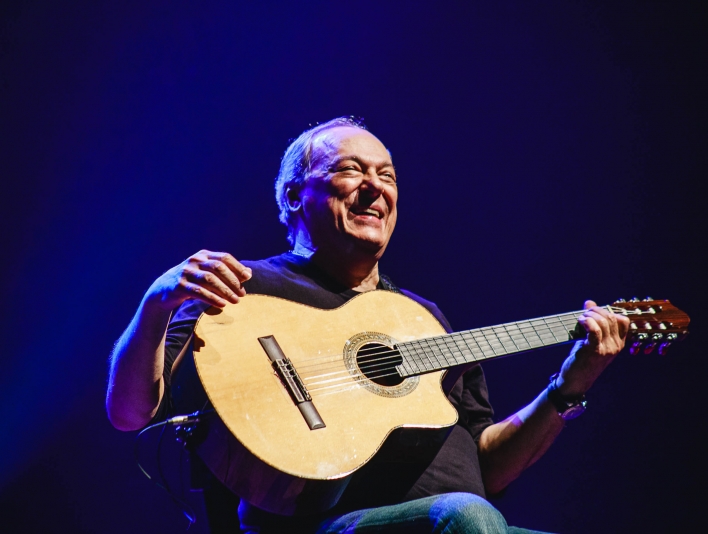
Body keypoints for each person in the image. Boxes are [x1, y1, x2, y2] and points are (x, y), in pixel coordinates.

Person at [106, 117, 630, 533]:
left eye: (387, 176)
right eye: (351, 170)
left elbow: (487, 468)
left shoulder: (423, 318)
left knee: (474, 516)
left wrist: (569, 387)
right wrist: (156, 303)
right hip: (320, 523)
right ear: (293, 196)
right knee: (467, 517)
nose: (374, 188)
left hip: (458, 523)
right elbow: (130, 414)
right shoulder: (239, 289)